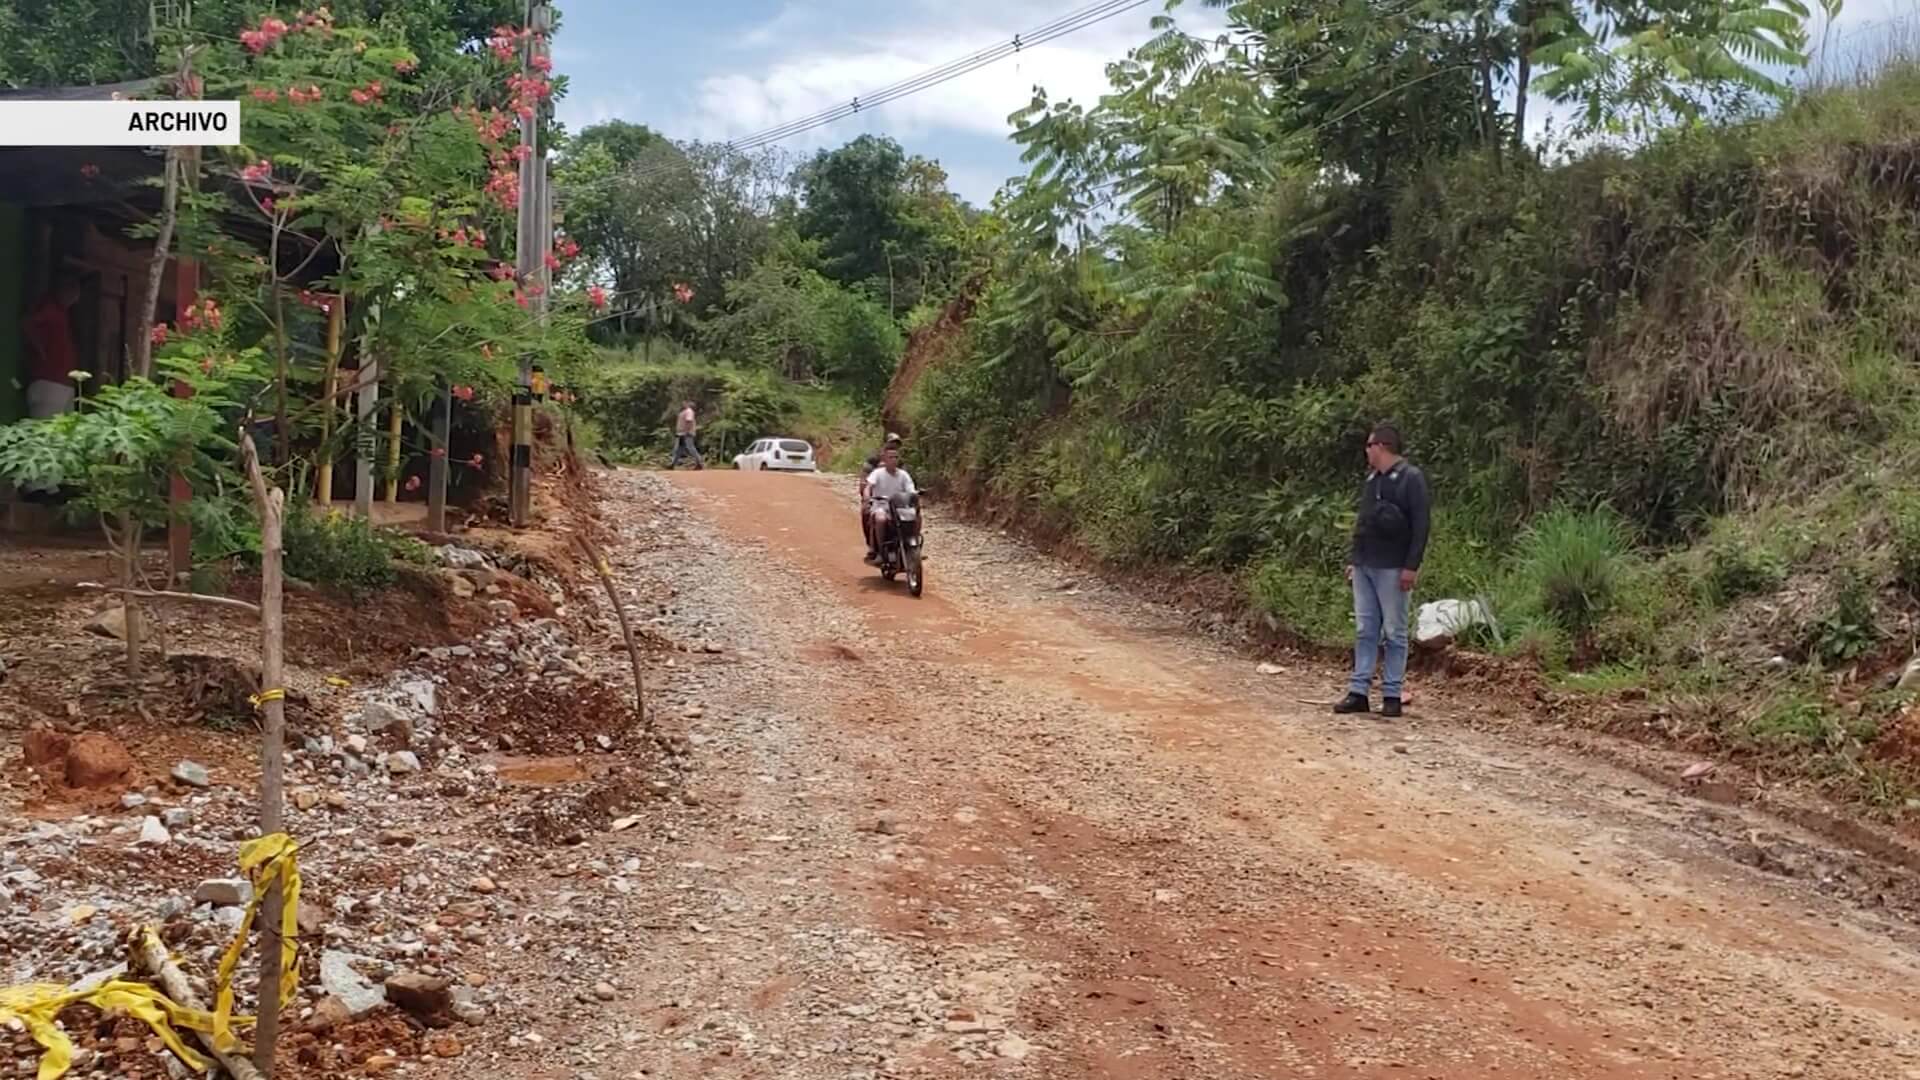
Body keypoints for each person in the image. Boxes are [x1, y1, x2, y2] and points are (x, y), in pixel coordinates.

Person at [1334, 422, 1430, 719]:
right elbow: (1363, 522)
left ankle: (1391, 693)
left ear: (1382, 446)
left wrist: (1411, 566)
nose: (1366, 451)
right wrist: (1355, 559)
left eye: (1369, 445)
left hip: (1392, 566)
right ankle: (1359, 690)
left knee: (1394, 632)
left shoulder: (1411, 479)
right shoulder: (1372, 480)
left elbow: (1421, 525)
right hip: (1366, 564)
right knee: (1365, 629)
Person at [23, 274, 82, 420]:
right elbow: (28, 323)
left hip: (64, 382)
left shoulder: (63, 312)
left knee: (63, 436)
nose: (75, 297)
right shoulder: (50, 307)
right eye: (73, 292)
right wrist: (41, 350)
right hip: (49, 380)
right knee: (44, 433)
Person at [864, 445, 915, 564]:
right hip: (881, 506)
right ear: (885, 459)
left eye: (896, 457)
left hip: (899, 508)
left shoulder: (903, 475)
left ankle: (913, 545)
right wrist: (867, 497)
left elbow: (911, 490)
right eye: (891, 457)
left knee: (916, 516)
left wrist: (914, 495)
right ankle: (881, 551)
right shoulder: (877, 473)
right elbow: (868, 486)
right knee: (880, 519)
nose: (894, 460)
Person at [860, 432, 903, 560]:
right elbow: (864, 481)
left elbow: (906, 480)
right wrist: (866, 497)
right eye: (891, 443)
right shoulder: (873, 460)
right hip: (877, 498)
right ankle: (873, 546)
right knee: (866, 513)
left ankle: (910, 545)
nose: (893, 446)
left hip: (896, 500)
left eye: (896, 444)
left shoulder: (899, 461)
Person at [669, 400, 704, 469]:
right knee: (679, 449)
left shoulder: (689, 411)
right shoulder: (684, 411)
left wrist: (687, 431)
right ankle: (673, 464)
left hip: (686, 433)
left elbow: (689, 421)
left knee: (690, 448)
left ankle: (699, 463)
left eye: (685, 403)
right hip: (681, 433)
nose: (683, 404)